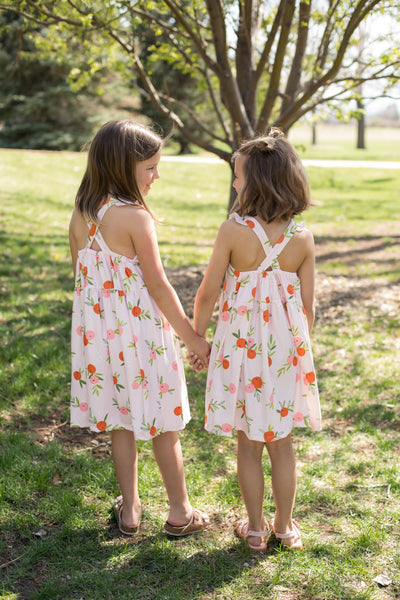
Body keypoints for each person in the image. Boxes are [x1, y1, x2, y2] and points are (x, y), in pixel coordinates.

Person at [69, 120, 210, 537]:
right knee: (165, 425)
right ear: (120, 166)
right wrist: (193, 338)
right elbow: (159, 286)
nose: (156, 175)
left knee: (121, 421)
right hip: (143, 338)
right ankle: (180, 513)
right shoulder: (134, 218)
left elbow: (81, 279)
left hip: (99, 342)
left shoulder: (81, 216)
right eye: (149, 167)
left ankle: (130, 513)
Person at [192, 128, 321, 551]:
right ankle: (285, 527)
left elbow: (208, 292)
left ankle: (254, 530)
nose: (234, 183)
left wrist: (198, 336)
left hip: (240, 350)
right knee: (281, 442)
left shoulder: (233, 230)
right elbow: (308, 307)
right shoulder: (301, 237)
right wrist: (300, 351)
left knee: (248, 442)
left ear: (258, 181)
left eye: (238, 176)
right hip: (285, 350)